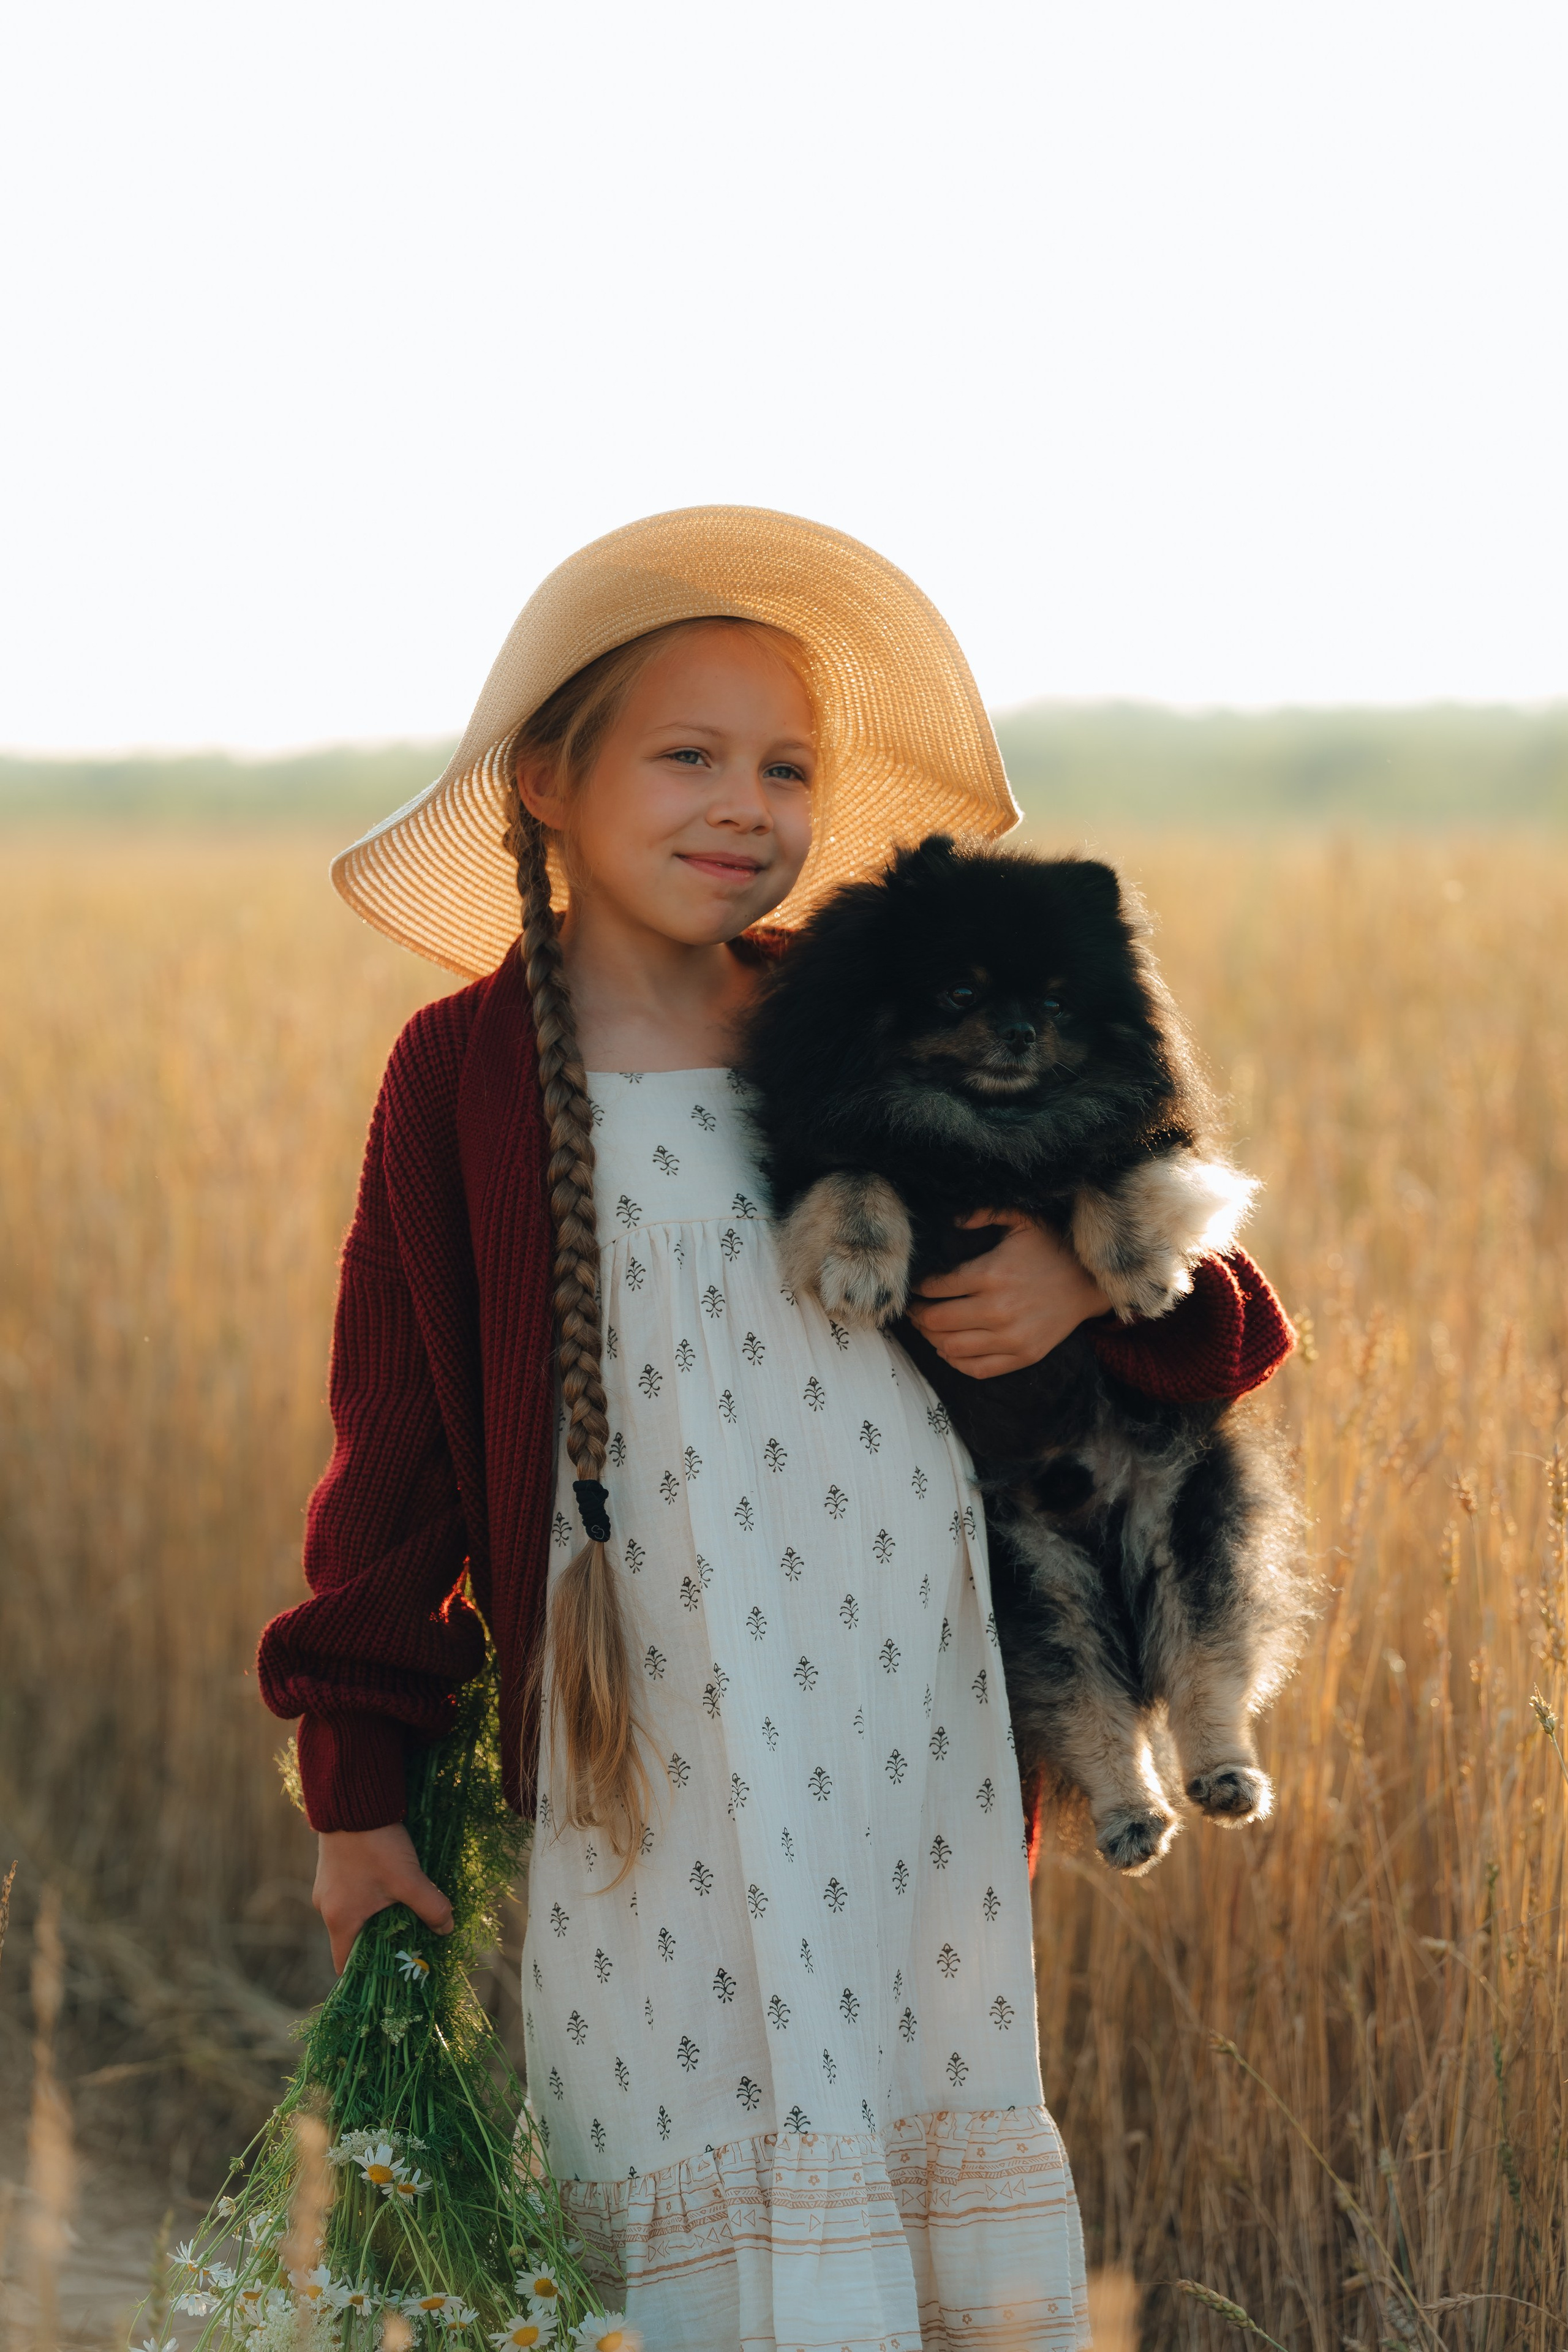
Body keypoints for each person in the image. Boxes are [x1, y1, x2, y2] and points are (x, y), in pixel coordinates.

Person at [258, 508, 1292, 2352]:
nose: (746, 804)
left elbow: (1221, 1316)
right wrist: (356, 1785)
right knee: (664, 2108)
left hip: (906, 1688)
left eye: (789, 768)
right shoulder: (468, 1075)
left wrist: (1070, 1277)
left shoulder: (859, 1012)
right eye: (690, 755)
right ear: (553, 779)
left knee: (902, 2091)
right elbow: (395, 1451)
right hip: (642, 1709)